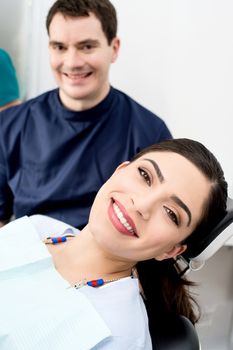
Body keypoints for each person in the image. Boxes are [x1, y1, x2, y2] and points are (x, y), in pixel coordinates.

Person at [0, 138, 227, 349]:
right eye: (145, 176)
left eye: (170, 213)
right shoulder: (40, 226)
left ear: (171, 250)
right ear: (120, 169)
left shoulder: (118, 337)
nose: (141, 204)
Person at [0, 0, 172, 229]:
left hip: (110, 264)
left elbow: (157, 227)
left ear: (114, 48)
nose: (72, 62)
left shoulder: (150, 133)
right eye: (59, 47)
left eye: (87, 46)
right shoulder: (11, 125)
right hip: (32, 259)